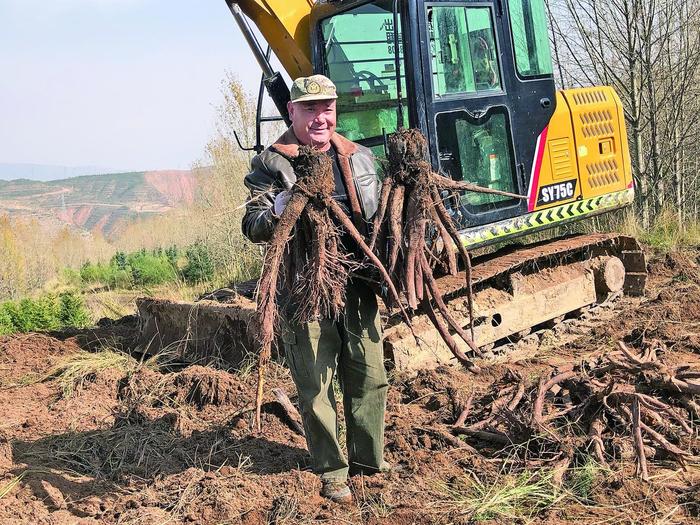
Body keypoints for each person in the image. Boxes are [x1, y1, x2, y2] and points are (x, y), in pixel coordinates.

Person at [241, 75, 388, 504]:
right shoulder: (270, 165)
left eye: (326, 108)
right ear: (292, 112)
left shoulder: (360, 158)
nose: (320, 117)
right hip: (303, 288)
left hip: (358, 283)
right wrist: (281, 205)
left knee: (370, 375)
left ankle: (368, 462)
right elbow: (252, 225)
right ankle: (333, 470)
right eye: (309, 109)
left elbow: (378, 221)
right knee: (316, 382)